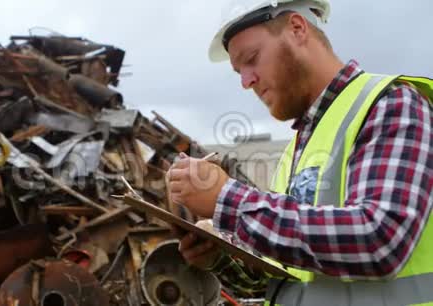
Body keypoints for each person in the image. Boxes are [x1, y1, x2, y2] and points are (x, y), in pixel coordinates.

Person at [167, 0, 433, 305]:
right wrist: (219, 256)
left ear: (296, 28)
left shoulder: (392, 106)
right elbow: (290, 281)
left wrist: (227, 200)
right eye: (239, 71)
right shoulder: (301, 145)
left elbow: (380, 241)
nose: (245, 81)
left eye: (252, 58)